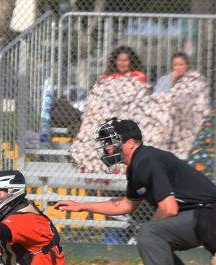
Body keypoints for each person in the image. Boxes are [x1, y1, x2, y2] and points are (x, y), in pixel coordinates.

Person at [56, 118, 216, 265]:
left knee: (150, 235)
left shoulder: (147, 161)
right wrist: (82, 206)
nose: (107, 147)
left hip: (208, 214)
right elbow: (125, 205)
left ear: (129, 143)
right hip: (208, 214)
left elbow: (169, 208)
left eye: (111, 141)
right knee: (155, 243)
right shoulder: (139, 164)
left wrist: (150, 235)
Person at [70, 45, 169, 174]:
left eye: (126, 60)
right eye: (120, 60)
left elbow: (138, 99)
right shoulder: (105, 79)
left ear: (131, 61)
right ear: (115, 61)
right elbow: (96, 98)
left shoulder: (138, 78)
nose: (122, 63)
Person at [152, 53, 210, 158]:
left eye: (181, 64)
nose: (178, 67)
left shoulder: (195, 79)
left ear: (187, 65)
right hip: (171, 121)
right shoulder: (166, 79)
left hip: (189, 120)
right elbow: (157, 97)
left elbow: (196, 97)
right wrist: (171, 80)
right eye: (175, 65)